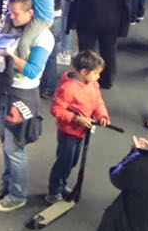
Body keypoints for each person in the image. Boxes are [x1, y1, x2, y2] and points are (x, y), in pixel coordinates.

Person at [0, 0, 54, 212]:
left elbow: (32, 70)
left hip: (22, 97)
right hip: (5, 91)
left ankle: (17, 194)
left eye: (16, 13)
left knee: (15, 148)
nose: (12, 16)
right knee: (6, 141)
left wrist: (9, 54)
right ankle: (7, 183)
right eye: (10, 12)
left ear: (30, 13)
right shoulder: (14, 28)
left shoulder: (43, 37)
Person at [46, 52, 111, 202]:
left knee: (73, 161)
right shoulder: (68, 88)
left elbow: (97, 102)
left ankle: (62, 185)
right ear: (83, 72)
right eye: (96, 73)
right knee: (64, 162)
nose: (98, 77)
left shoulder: (93, 84)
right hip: (68, 133)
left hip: (81, 132)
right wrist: (76, 119)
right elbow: (56, 110)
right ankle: (54, 191)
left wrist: (102, 115)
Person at [72, 0, 131, 90]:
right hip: (111, 23)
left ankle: (85, 79)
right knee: (109, 52)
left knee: (86, 52)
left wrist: (72, 22)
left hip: (87, 21)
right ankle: (106, 81)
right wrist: (124, 27)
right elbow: (128, 5)